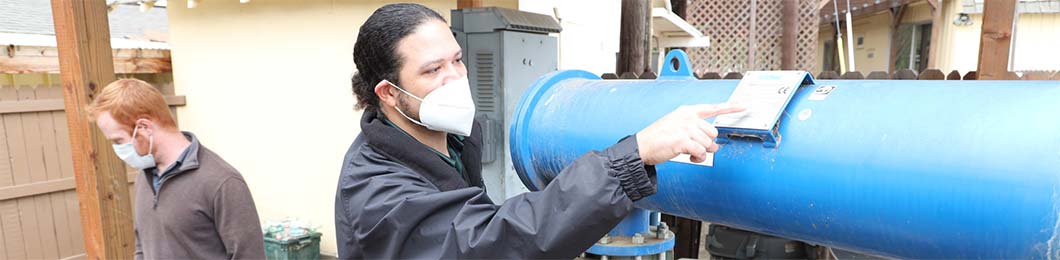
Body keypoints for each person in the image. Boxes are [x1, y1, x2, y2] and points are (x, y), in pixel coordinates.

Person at [334, 3, 743, 259]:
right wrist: (632, 157)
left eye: (456, 60)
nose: (456, 77)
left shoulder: (449, 142)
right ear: (388, 93)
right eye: (433, 70)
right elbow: (487, 243)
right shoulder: (376, 191)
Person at [87, 79, 265, 259]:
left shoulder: (221, 182)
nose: (117, 149)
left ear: (144, 127)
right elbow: (143, 245)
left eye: (118, 141)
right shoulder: (144, 178)